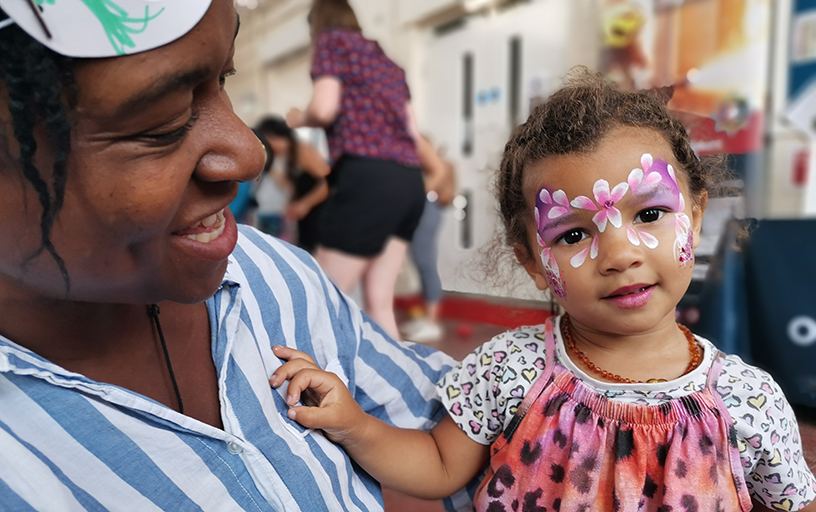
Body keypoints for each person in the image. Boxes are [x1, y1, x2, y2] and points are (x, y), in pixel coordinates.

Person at [271, 70, 816, 511]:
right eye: (574, 233)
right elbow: (438, 466)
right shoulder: (510, 368)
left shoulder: (752, 402)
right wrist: (354, 426)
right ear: (533, 259)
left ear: (695, 218)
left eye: (650, 213)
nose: (621, 254)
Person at [0, 2, 463, 510]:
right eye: (160, 126)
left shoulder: (274, 274)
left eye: (225, 78)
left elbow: (457, 414)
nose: (250, 154)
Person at [286, 0, 427, 339]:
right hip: (408, 182)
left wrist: (300, 118)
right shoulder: (387, 63)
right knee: (379, 301)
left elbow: (323, 108)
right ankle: (396, 388)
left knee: (322, 296)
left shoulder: (331, 42)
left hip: (368, 178)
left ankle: (316, 386)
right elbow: (412, 131)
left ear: (316, 24)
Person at [401, 137, 456, 344]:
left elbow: (445, 194)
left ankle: (433, 323)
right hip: (418, 212)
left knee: (426, 265)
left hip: (425, 211)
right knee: (421, 264)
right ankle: (427, 318)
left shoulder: (435, 168)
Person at [255, 116, 330, 254]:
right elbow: (290, 187)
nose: (272, 147)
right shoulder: (283, 156)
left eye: (273, 141)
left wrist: (305, 204)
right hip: (304, 218)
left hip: (321, 213)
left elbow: (329, 182)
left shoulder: (302, 150)